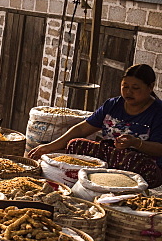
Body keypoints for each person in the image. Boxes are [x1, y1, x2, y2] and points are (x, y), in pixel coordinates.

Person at [27, 64, 162, 187]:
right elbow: (81, 129)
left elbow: (159, 149)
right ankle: (96, 178)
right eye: (125, 86)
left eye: (135, 88)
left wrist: (136, 143)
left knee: (131, 159)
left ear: (150, 87)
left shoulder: (158, 112)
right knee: (76, 144)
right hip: (110, 156)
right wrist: (49, 147)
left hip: (141, 163)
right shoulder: (113, 105)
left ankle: (114, 181)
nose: (128, 92)